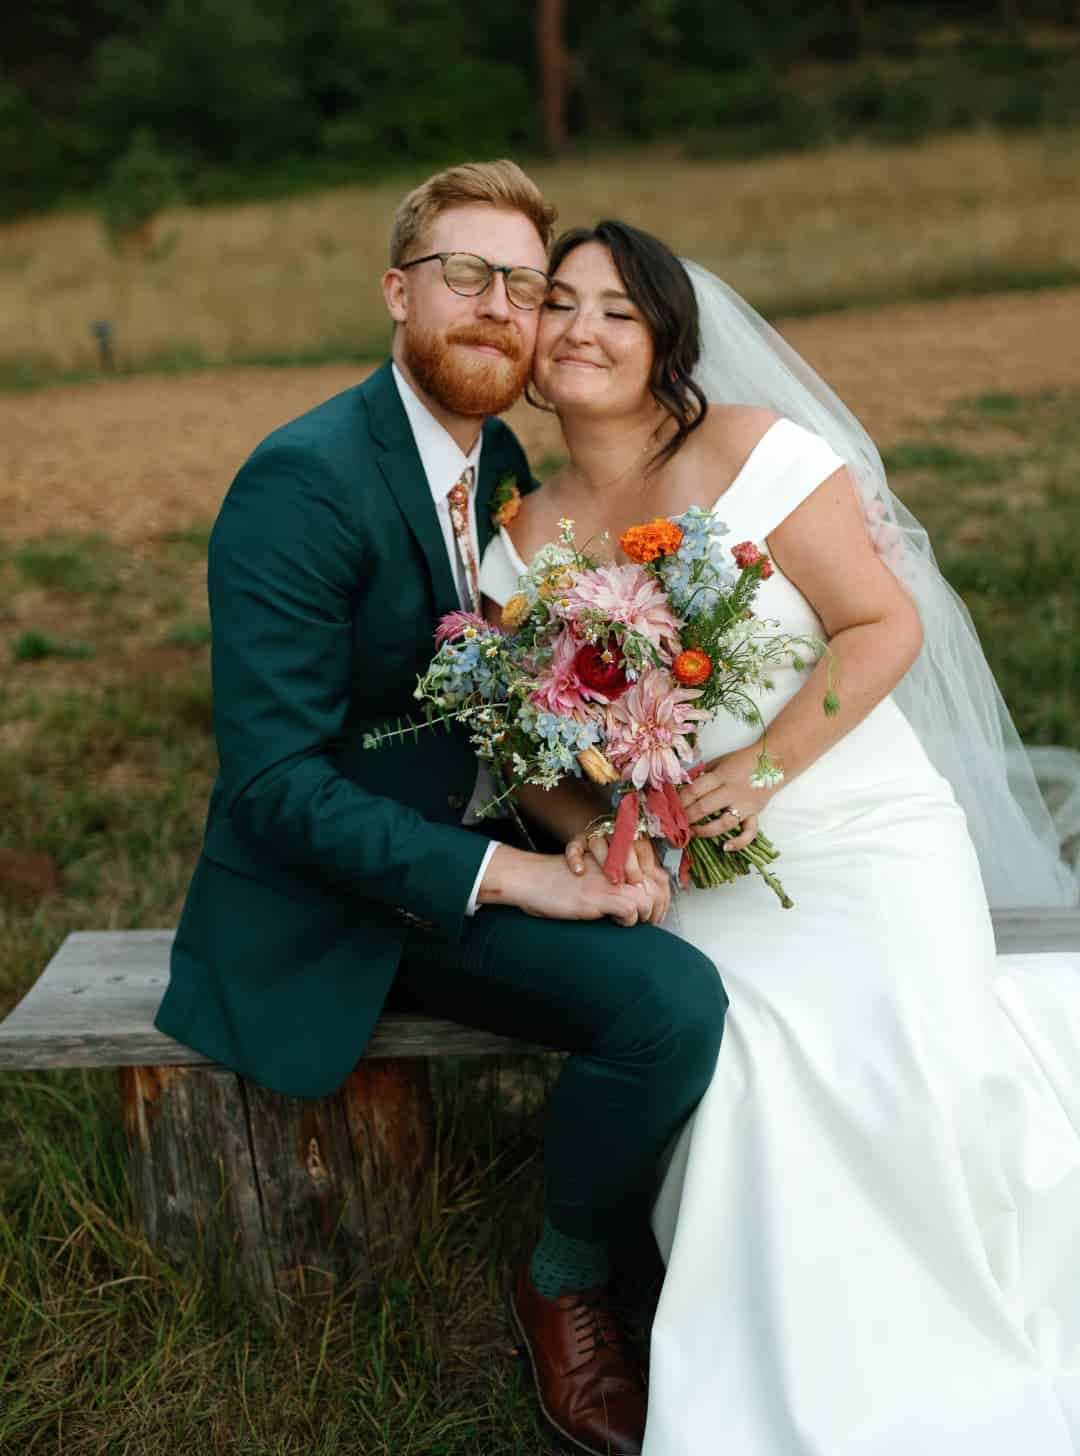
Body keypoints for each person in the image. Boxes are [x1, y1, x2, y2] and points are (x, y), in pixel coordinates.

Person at [478, 219, 1080, 1454]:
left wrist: (762, 773)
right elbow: (530, 758)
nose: (581, 330)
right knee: (744, 1075)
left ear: (666, 333)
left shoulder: (753, 449)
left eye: (617, 309)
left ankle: (959, 1354)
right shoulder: (520, 545)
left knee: (894, 1059)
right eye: (559, 304)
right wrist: (598, 830)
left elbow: (882, 625)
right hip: (700, 876)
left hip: (858, 826)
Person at [155, 167, 729, 1456]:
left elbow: (504, 697)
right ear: (398, 292)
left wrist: (589, 816)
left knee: (710, 933)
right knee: (669, 1004)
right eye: (466, 276)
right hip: (346, 886)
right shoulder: (303, 481)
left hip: (489, 829)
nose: (498, 307)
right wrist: (518, 877)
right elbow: (274, 789)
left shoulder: (503, 457)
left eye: (523, 287)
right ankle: (567, 1277)